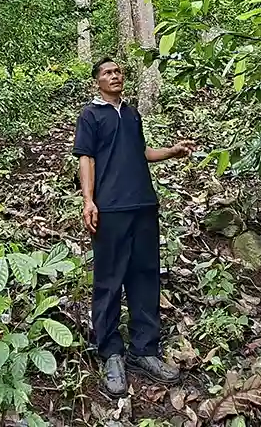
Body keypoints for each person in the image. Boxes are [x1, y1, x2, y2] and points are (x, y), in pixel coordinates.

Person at [73, 55, 196, 396]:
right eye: (107, 73)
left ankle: (145, 350)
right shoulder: (90, 115)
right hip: (110, 209)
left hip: (143, 204)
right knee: (109, 282)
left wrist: (172, 151)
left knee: (145, 278)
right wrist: (89, 200)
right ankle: (111, 352)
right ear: (96, 81)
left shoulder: (131, 113)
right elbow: (87, 158)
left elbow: (140, 152)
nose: (115, 76)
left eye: (118, 71)